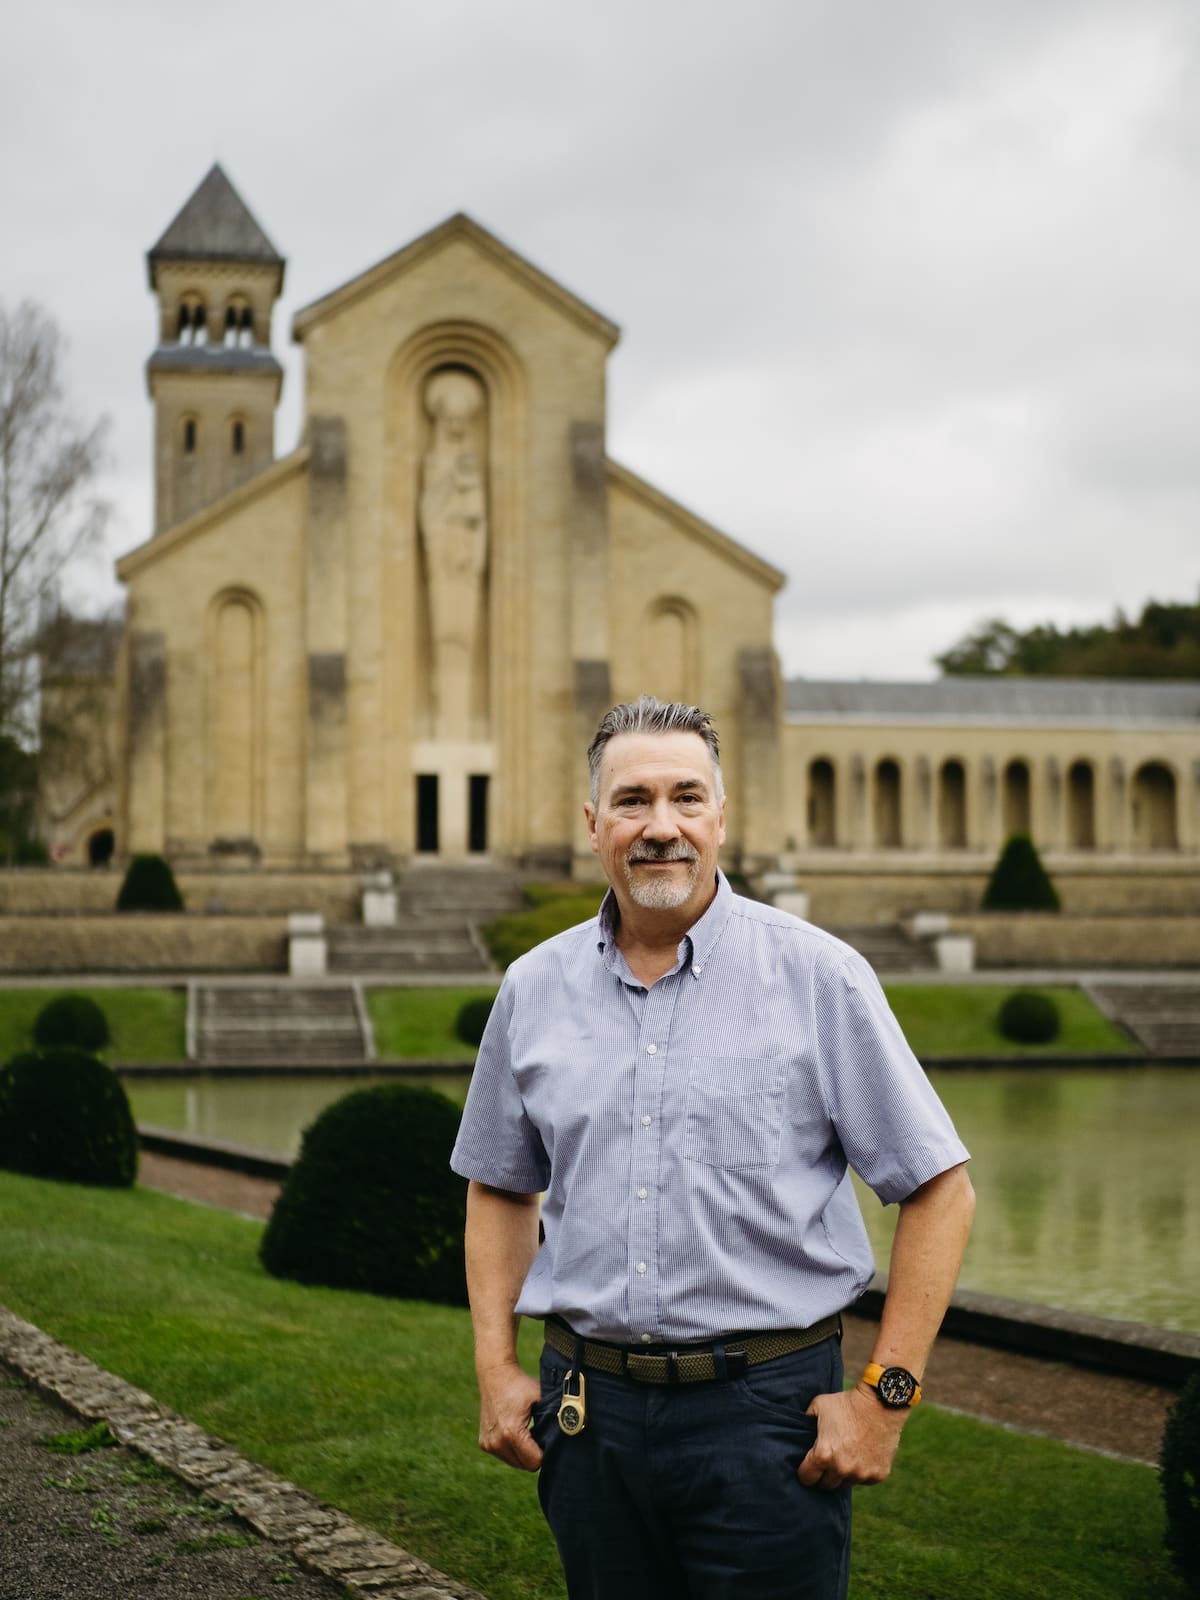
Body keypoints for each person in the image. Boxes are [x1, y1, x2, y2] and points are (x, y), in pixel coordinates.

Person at [451, 695, 975, 1600]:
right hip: (588, 1415)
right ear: (592, 824)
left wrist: (886, 1398)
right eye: (633, 801)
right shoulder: (532, 989)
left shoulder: (819, 977)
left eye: (687, 798)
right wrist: (497, 1368)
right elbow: (501, 1188)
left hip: (766, 1418)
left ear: (721, 817)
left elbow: (940, 1188)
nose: (662, 827)